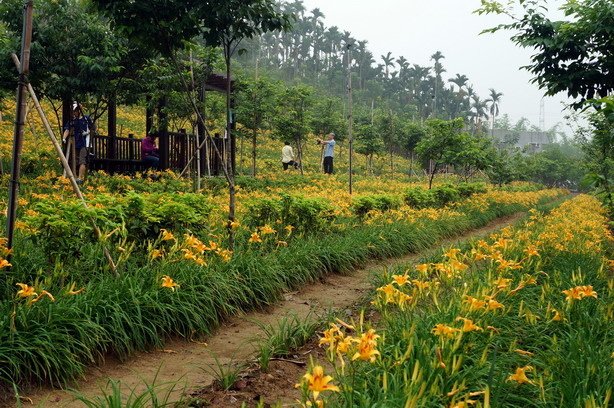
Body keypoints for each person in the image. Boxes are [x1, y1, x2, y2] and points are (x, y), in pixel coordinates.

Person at [62, 102, 93, 184]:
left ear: (79, 111)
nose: (74, 113)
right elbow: (67, 129)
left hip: (85, 143)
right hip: (76, 143)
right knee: (75, 160)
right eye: (73, 111)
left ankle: (80, 178)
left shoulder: (86, 119)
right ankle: (74, 176)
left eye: (75, 111)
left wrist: (87, 132)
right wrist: (64, 138)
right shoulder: (73, 120)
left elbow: (93, 129)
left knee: (82, 160)